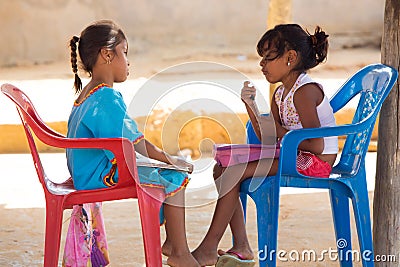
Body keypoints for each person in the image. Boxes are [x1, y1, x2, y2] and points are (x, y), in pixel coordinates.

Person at [192, 24, 338, 266]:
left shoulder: (305, 91)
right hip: (292, 155)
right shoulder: (281, 93)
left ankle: (208, 247)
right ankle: (241, 245)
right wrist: (250, 105)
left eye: (268, 58)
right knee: (222, 170)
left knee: (235, 172)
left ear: (290, 57)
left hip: (316, 162)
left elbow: (316, 144)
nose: (262, 65)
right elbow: (268, 138)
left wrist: (282, 134)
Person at [65, 20, 200, 267]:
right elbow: (135, 142)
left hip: (87, 172)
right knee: (174, 175)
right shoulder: (105, 96)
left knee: (163, 171)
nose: (128, 62)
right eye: (124, 53)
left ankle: (173, 243)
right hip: (100, 175)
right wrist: (171, 159)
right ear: (107, 54)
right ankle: (179, 251)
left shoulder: (86, 95)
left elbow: (124, 142)